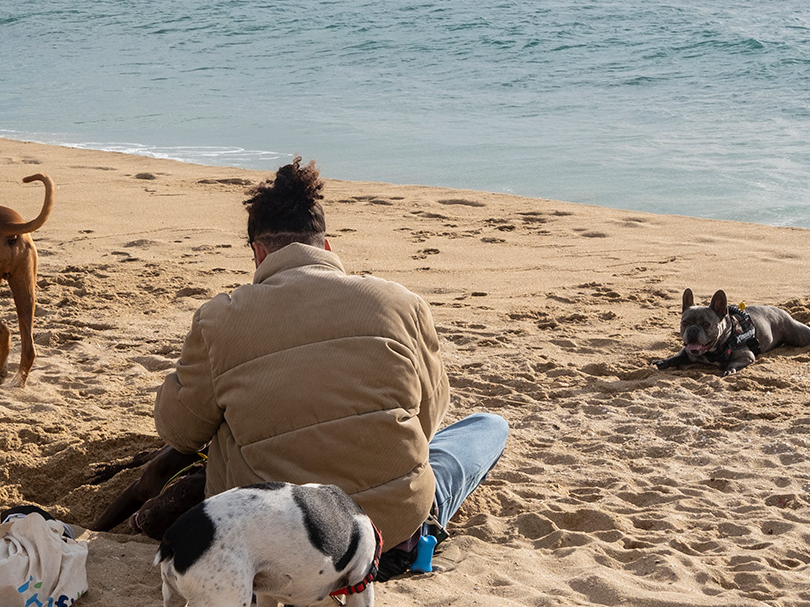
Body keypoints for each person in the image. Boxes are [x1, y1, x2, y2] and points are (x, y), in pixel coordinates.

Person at [94, 157, 507, 578]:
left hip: (272, 543)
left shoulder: (219, 318)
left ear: (258, 252)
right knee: (489, 426)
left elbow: (179, 430)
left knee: (224, 419)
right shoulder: (402, 302)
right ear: (325, 247)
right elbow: (428, 419)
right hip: (385, 533)